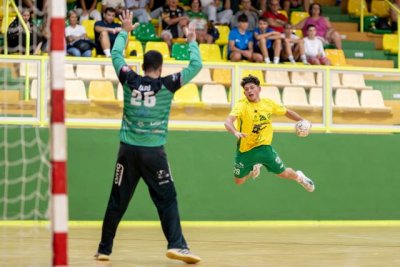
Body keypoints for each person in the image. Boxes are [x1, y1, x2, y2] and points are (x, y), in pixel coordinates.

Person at [94, 10, 202, 264]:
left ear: (142, 66)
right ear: (161, 67)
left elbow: (117, 56)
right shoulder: (169, 83)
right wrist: (191, 41)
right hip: (154, 153)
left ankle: (104, 249)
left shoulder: (129, 79)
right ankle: (177, 245)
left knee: (116, 201)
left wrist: (125, 30)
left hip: (127, 152)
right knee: (167, 200)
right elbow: (196, 65)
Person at [224, 75, 315, 191]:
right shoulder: (242, 105)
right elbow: (228, 122)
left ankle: (300, 177)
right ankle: (253, 168)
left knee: (283, 173)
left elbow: (287, 112)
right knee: (239, 181)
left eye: (252, 87)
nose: (249, 91)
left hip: (264, 148)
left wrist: (302, 120)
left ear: (259, 89)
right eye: (246, 89)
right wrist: (235, 132)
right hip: (245, 150)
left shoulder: (268, 104)